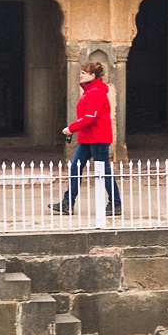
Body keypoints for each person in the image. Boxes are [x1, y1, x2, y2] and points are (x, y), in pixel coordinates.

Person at [57, 60, 118, 217]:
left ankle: (115, 203)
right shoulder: (90, 91)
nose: (80, 75)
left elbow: (90, 117)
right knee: (75, 168)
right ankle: (67, 202)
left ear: (92, 75)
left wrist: (71, 128)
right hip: (88, 138)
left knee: (103, 171)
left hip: (98, 138)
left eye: (83, 73)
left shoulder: (96, 92)